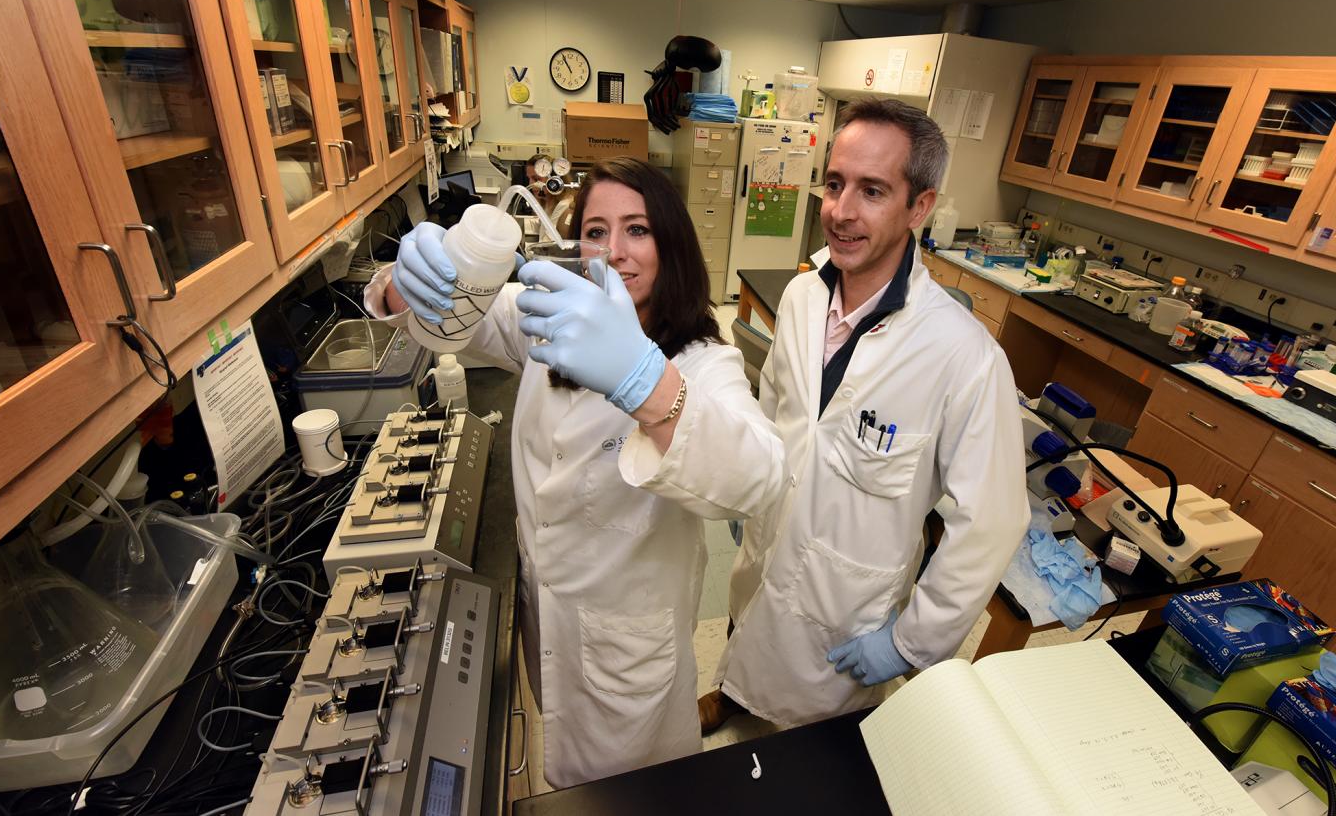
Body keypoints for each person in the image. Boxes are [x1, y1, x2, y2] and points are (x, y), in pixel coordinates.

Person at [366, 157, 786, 787]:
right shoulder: (548, 322)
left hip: (629, 656)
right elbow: (451, 318)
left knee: (640, 795)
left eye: (637, 230)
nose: (614, 252)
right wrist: (409, 280)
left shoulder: (704, 362)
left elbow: (761, 475)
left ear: (672, 245)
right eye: (596, 231)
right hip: (548, 622)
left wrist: (642, 380)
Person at [704, 98, 1029, 730]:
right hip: (768, 544)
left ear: (920, 206)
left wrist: (910, 642)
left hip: (844, 606)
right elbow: (776, 403)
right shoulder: (801, 296)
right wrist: (751, 490)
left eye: (872, 191)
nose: (840, 212)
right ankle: (731, 691)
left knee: (807, 749)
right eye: (834, 184)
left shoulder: (964, 357)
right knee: (746, 627)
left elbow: (989, 523)